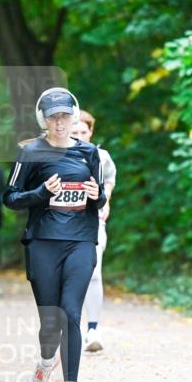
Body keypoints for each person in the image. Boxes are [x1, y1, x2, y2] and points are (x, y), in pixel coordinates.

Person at [3, 88, 106, 382]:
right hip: (43, 242)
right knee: (51, 321)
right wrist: (40, 192)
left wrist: (96, 194)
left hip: (80, 241)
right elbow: (11, 198)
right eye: (53, 117)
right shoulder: (30, 152)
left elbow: (100, 197)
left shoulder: (90, 153)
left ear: (73, 116)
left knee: (70, 314)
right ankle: (46, 361)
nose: (60, 123)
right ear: (43, 120)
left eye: (64, 116)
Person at [70, 110, 116, 352]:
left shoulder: (101, 156)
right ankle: (70, 327)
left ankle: (93, 329)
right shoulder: (59, 155)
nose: (79, 135)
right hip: (65, 223)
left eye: (83, 132)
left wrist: (105, 200)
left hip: (93, 221)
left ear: (91, 132)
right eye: (74, 131)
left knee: (94, 273)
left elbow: (109, 179)